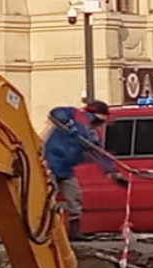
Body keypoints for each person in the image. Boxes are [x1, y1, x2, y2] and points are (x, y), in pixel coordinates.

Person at [45, 100, 119, 241]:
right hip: (51, 163)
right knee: (46, 198)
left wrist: (112, 171)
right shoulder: (73, 114)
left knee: (75, 197)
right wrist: (68, 123)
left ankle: (75, 232)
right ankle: (45, 231)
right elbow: (55, 113)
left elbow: (99, 154)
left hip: (66, 168)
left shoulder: (92, 134)